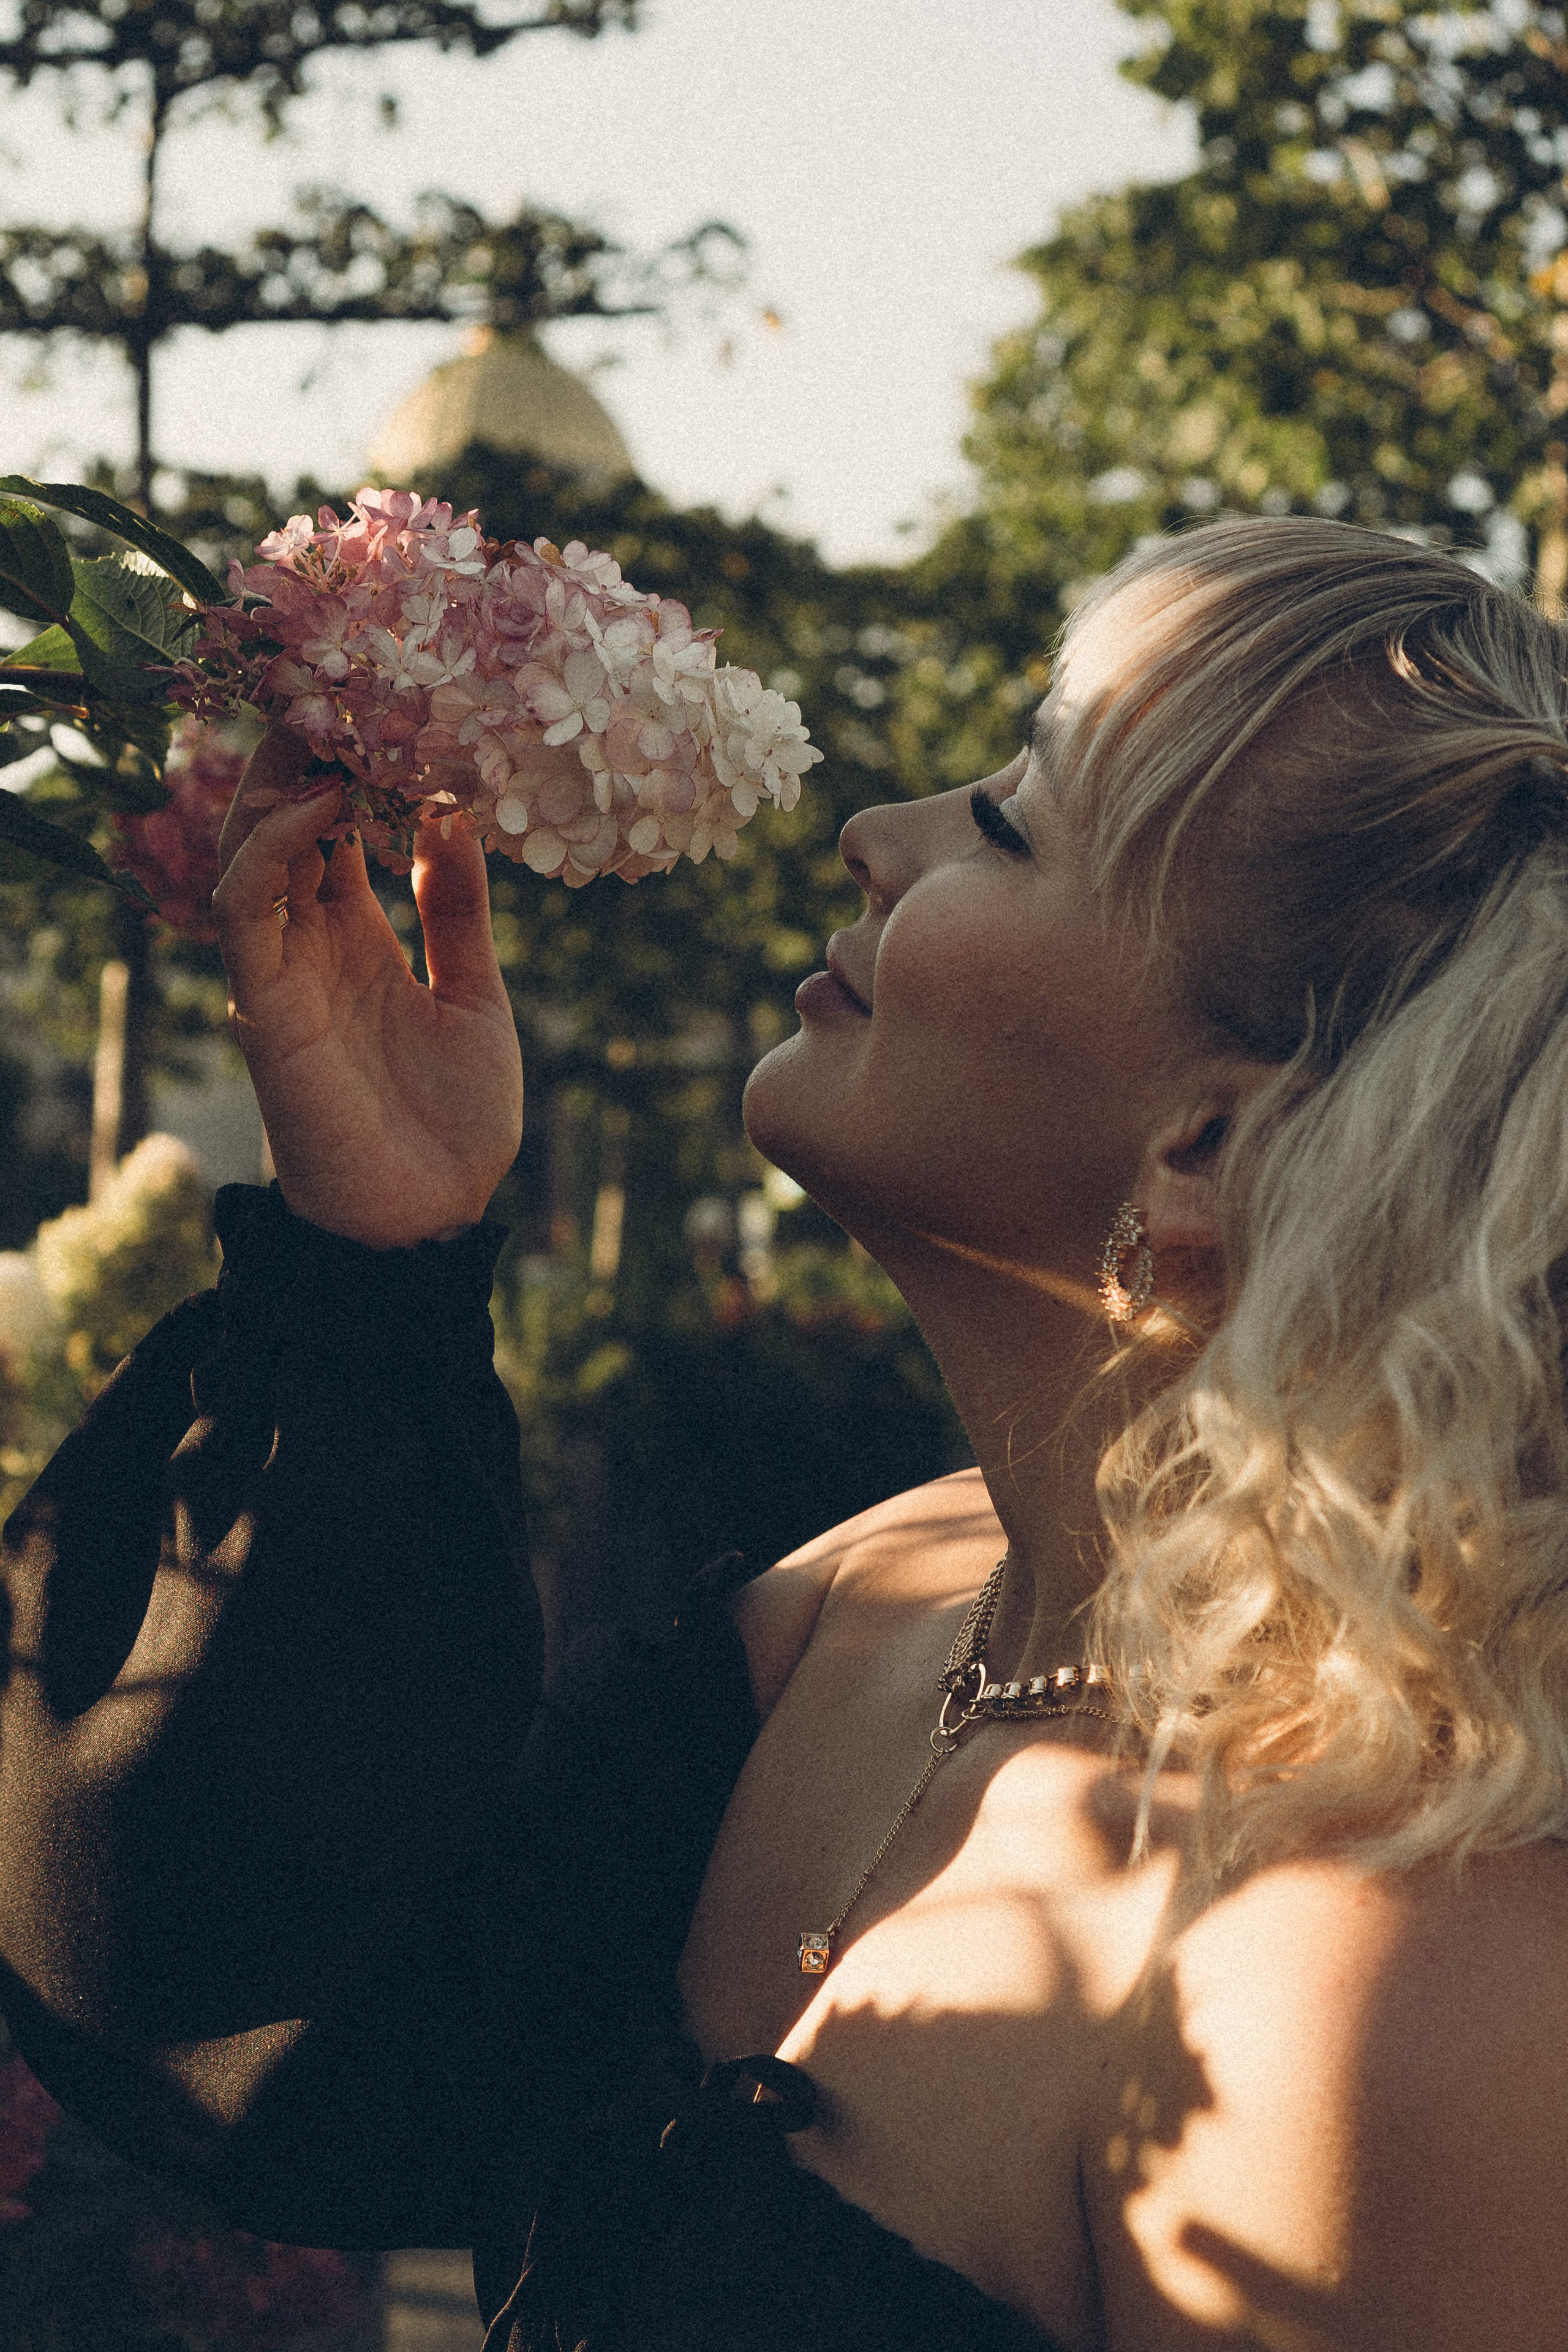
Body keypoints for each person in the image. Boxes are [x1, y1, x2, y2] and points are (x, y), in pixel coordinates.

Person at [4, 513, 1568, 2352]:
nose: (876, 833)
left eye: (1008, 819)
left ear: (1209, 1152)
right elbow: (273, 2034)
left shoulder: (1368, 1977)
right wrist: (376, 1263)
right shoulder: (884, 1600)